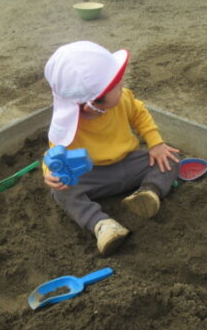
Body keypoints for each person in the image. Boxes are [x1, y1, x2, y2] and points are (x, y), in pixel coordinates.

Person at [43, 41, 180, 256]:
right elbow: (55, 153)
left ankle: (148, 193)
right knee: (61, 192)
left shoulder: (123, 99)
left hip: (129, 162)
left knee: (169, 158)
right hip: (94, 175)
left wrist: (156, 143)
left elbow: (139, 114)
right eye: (116, 85)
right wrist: (51, 173)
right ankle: (102, 225)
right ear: (93, 104)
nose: (122, 84)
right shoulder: (69, 122)